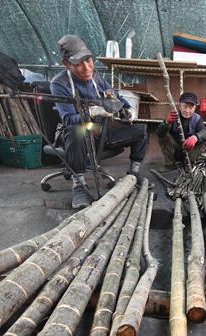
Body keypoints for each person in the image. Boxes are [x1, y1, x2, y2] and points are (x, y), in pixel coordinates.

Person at [50, 35, 151, 209]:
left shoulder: (97, 78)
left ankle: (133, 174)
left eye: (88, 60)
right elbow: (68, 119)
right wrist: (92, 111)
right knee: (77, 130)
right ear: (67, 64)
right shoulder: (59, 84)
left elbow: (118, 99)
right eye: (79, 63)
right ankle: (79, 186)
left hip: (99, 133)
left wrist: (127, 111)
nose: (87, 67)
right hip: (75, 136)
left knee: (141, 130)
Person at [156, 92, 206, 172]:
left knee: (202, 140)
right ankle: (169, 164)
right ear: (180, 106)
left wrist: (195, 138)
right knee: (163, 136)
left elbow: (205, 131)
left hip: (190, 152)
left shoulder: (197, 119)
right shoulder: (173, 115)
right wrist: (166, 122)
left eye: (191, 108)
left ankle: (188, 164)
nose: (187, 110)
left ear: (195, 108)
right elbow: (159, 133)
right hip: (176, 151)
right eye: (185, 107)